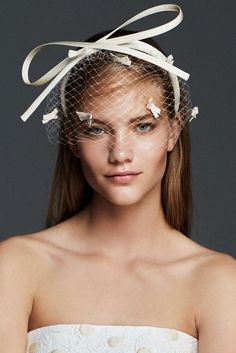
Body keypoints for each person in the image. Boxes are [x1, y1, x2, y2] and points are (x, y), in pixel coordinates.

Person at [0, 4, 235, 353]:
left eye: (143, 126)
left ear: (173, 130)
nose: (120, 153)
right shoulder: (16, 266)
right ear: (71, 137)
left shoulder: (217, 281)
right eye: (96, 129)